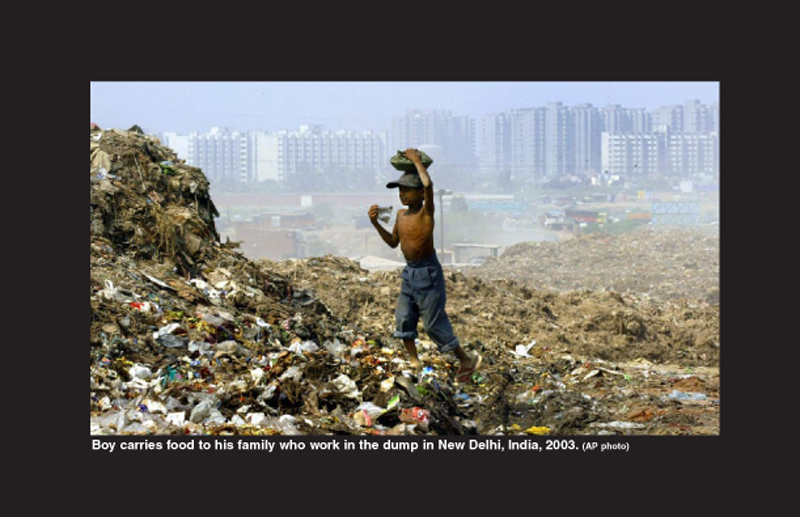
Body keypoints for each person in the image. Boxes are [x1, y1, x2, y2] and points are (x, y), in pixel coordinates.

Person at [368, 148, 481, 383]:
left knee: (432, 323)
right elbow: (392, 243)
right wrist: (375, 223)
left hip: (428, 272)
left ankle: (465, 359)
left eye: (407, 189)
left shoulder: (426, 212)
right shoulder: (399, 215)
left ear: (420, 193)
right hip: (410, 272)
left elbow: (429, 186)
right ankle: (414, 361)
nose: (402, 194)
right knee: (404, 316)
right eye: (400, 190)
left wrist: (417, 161)